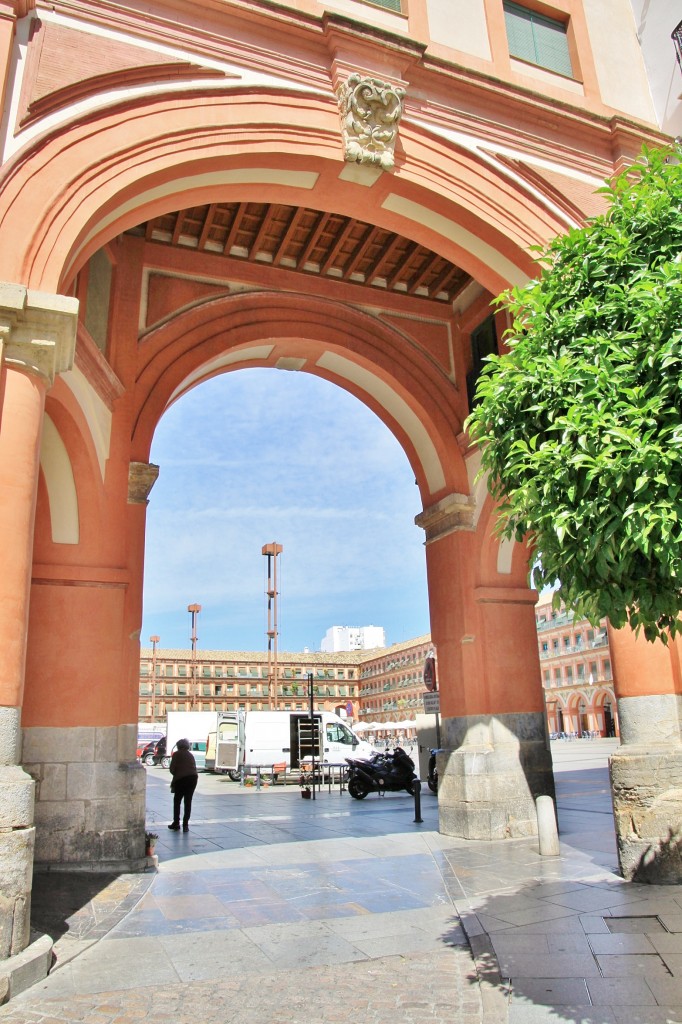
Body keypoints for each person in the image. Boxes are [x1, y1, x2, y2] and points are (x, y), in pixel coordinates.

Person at [168, 738, 198, 832]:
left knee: (177, 801)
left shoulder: (176, 754)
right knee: (188, 801)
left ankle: (176, 823)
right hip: (193, 779)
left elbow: (172, 769)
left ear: (178, 746)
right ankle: (185, 825)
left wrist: (177, 774)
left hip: (181, 779)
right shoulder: (190, 755)